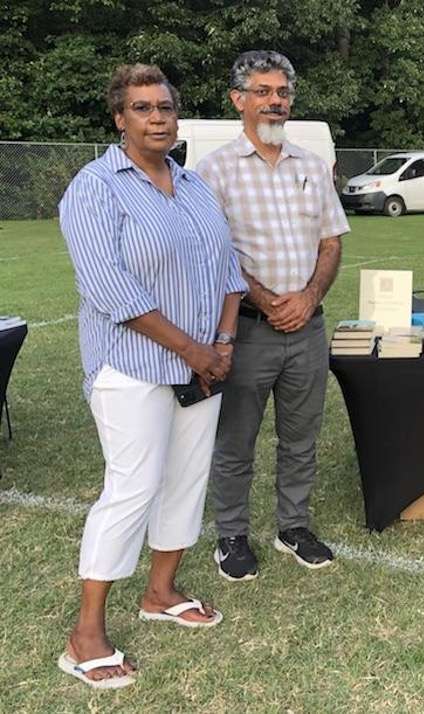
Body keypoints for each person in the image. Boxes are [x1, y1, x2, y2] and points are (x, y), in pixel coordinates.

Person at [57, 64, 247, 689]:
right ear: (119, 118)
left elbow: (228, 270)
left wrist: (221, 344)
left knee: (186, 480)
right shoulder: (94, 189)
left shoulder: (193, 186)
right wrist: (195, 351)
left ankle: (160, 592)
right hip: (132, 367)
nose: (157, 117)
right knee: (132, 487)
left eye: (165, 106)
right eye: (142, 108)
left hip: (204, 364)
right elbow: (112, 289)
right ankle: (85, 634)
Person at [198, 51, 350, 581]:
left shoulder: (311, 165)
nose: (275, 101)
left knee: (301, 437)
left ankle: (293, 527)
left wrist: (308, 297)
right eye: (262, 91)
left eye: (282, 92)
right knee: (235, 440)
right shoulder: (213, 171)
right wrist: (264, 300)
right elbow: (216, 256)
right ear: (238, 99)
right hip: (248, 330)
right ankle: (232, 536)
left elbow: (331, 242)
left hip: (308, 327)